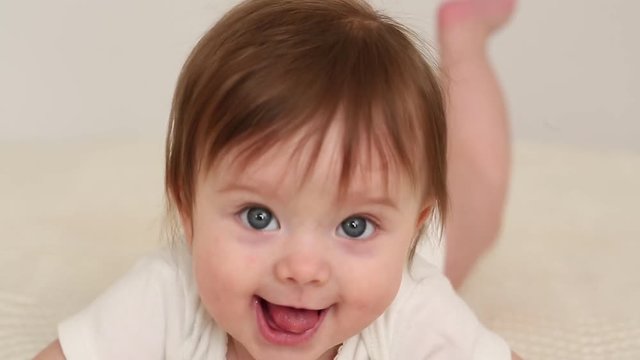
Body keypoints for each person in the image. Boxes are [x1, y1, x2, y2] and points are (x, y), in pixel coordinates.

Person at [36, 0, 519, 358]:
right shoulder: (166, 296)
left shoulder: (414, 315)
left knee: (478, 187)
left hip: (429, 250)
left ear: (412, 226)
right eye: (259, 216)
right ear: (187, 208)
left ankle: (464, 39)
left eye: (355, 225)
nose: (303, 269)